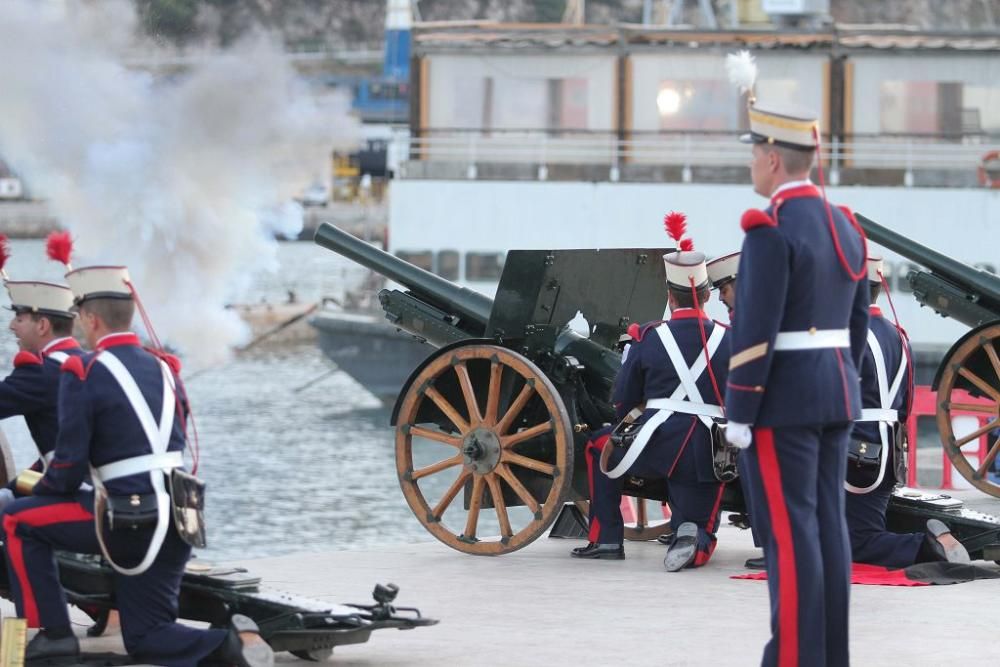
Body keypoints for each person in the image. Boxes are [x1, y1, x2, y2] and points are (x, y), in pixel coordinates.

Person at [1, 264, 273, 667]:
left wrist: (32, 490)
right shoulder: (165, 367)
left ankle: (52, 635)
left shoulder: (84, 372)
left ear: (90, 319)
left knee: (16, 520)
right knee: (147, 638)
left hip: (127, 520)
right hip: (179, 517)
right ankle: (235, 644)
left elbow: (69, 471)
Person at [722, 72, 869, 665]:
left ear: (775, 159)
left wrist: (739, 410)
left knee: (789, 534)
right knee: (829, 528)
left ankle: (794, 658)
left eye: (756, 152)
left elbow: (753, 332)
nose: (752, 164)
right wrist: (844, 384)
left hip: (782, 401)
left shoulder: (768, 230)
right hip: (837, 394)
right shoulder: (846, 226)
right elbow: (856, 328)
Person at [574, 214, 731, 571]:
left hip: (655, 446)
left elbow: (624, 398)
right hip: (711, 453)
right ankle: (690, 534)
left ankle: (607, 539)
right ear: (707, 295)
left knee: (600, 444)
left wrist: (626, 422)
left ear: (669, 297)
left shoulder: (649, 336)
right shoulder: (730, 338)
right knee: (700, 530)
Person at [845, 257, 969, 566]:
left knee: (855, 541)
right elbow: (907, 400)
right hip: (887, 452)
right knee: (857, 530)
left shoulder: (848, 335)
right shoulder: (898, 335)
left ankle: (926, 546)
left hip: (852, 449)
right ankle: (935, 540)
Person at [0, 278, 82, 511]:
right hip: (85, 481)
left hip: (72, 491)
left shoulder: (42, 373)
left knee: (14, 519)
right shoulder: (86, 361)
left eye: (19, 318)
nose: (12, 326)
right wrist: (11, 490)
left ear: (43, 325)